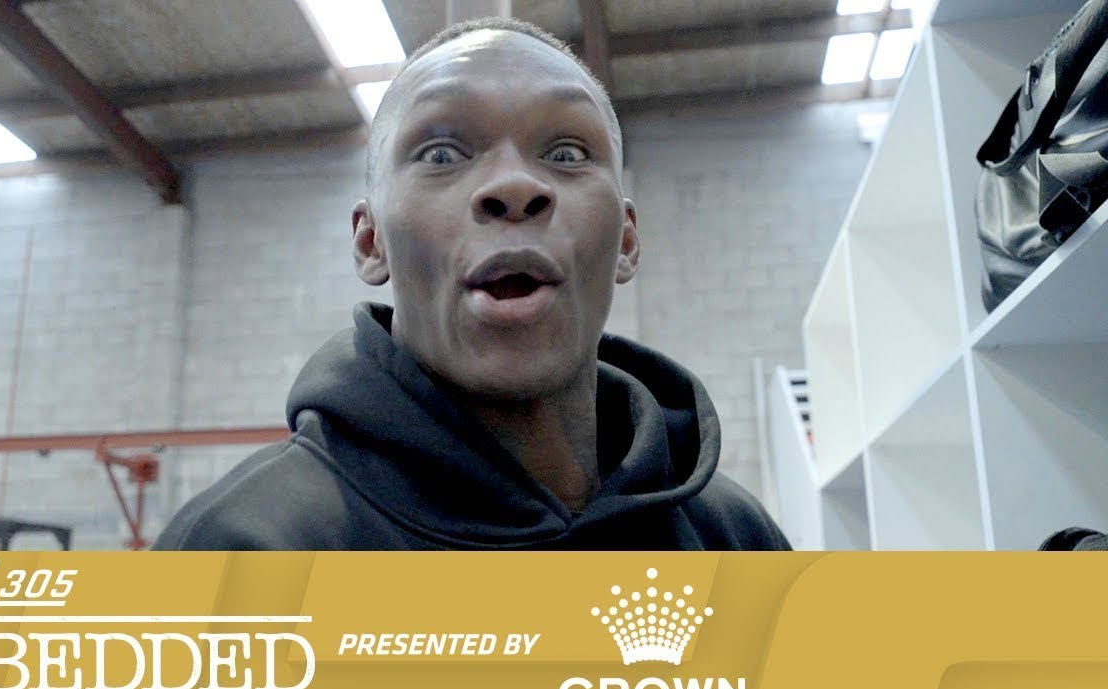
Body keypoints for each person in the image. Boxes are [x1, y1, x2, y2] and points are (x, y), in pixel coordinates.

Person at [154, 17, 790, 550]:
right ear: (371, 241)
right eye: (442, 154)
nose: (514, 186)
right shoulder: (240, 549)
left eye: (566, 153)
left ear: (625, 241)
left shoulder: (734, 537)